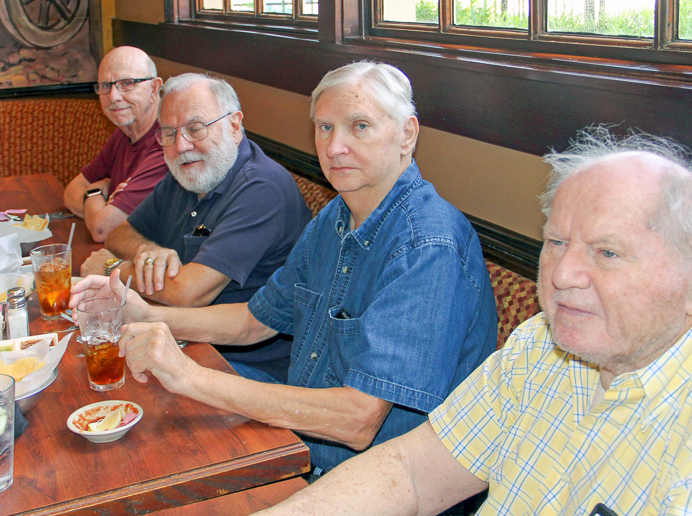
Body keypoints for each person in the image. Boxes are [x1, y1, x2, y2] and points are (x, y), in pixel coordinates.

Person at [71, 62, 498, 475]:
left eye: (359, 126)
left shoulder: (428, 246)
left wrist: (189, 375)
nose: (334, 147)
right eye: (325, 127)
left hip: (375, 481)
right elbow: (256, 320)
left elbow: (357, 420)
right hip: (297, 442)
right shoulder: (333, 219)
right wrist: (151, 316)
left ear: (407, 134)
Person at [255, 126, 692, 515]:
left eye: (607, 252)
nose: (561, 274)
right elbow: (411, 472)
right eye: (557, 242)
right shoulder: (538, 346)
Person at [80, 72, 312, 382]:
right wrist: (148, 250)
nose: (181, 145)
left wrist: (111, 267)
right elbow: (119, 232)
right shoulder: (188, 175)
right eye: (168, 132)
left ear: (234, 125)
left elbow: (187, 292)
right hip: (188, 344)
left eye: (196, 128)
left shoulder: (262, 188)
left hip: (249, 369)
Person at [64, 46, 168, 243]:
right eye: (105, 86)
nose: (113, 97)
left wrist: (94, 192)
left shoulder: (167, 142)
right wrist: (102, 198)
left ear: (154, 88)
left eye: (127, 83)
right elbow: (71, 191)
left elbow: (102, 229)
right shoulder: (124, 132)